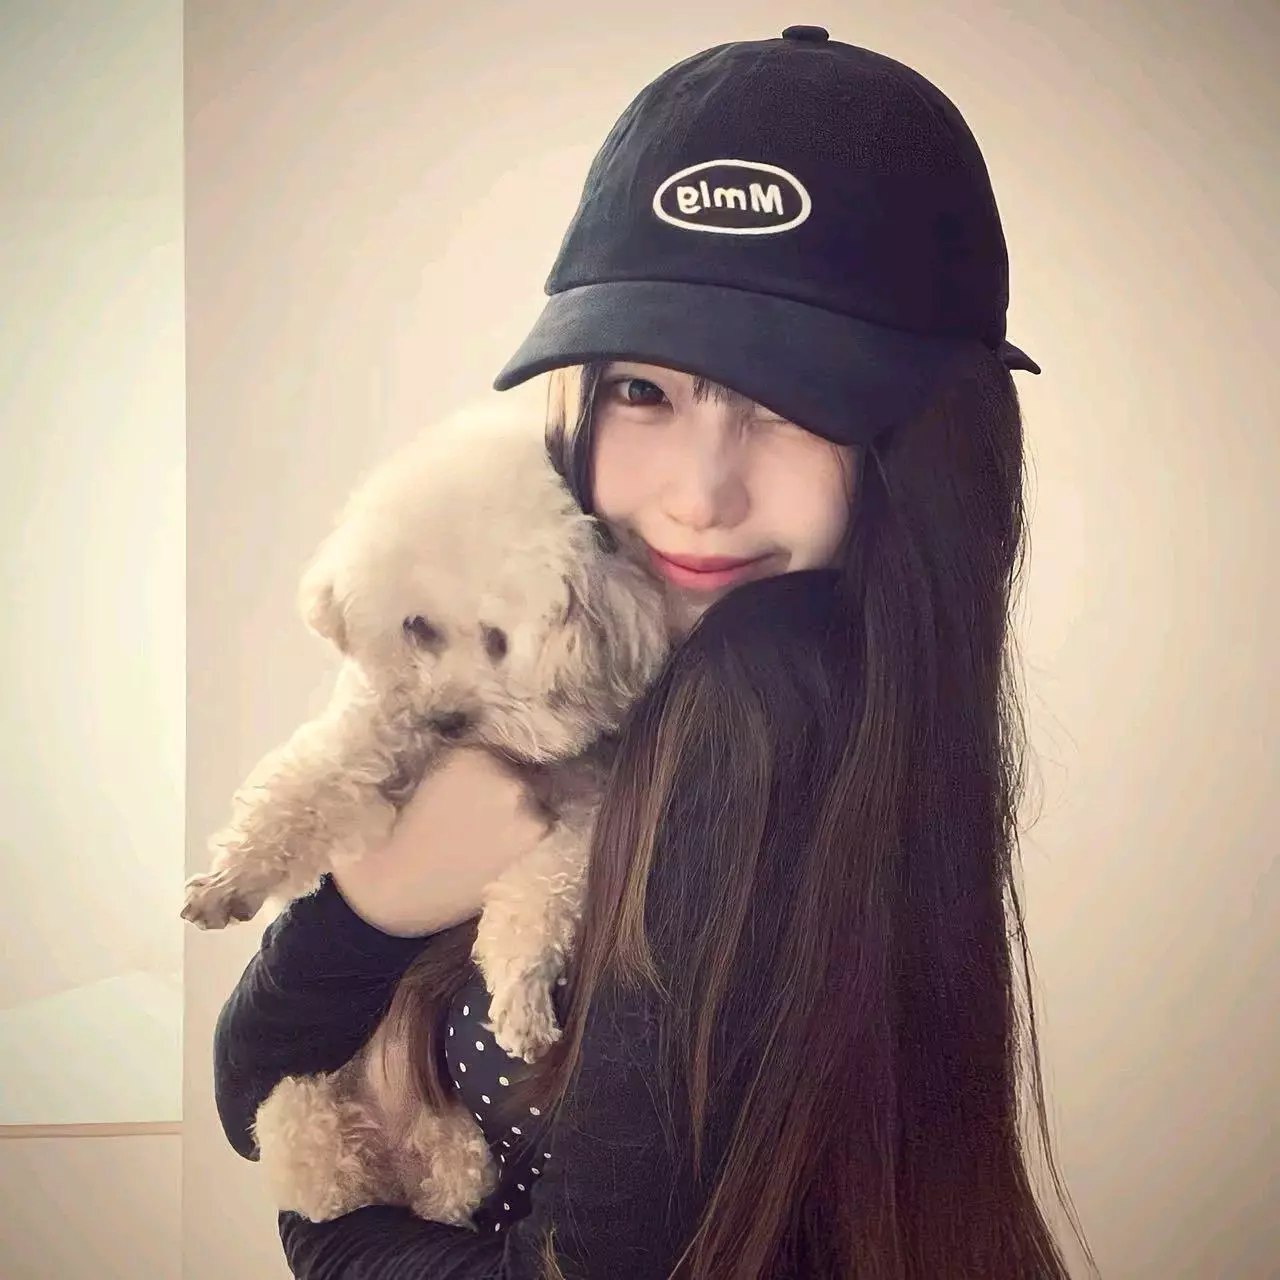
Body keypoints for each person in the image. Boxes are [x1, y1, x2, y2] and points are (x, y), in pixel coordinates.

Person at [212, 25, 1096, 1279]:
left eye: (793, 403)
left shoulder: (760, 716)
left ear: (918, 445)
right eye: (643, 390)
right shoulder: (542, 668)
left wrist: (330, 1233)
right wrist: (376, 898)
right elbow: (251, 1076)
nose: (696, 496)